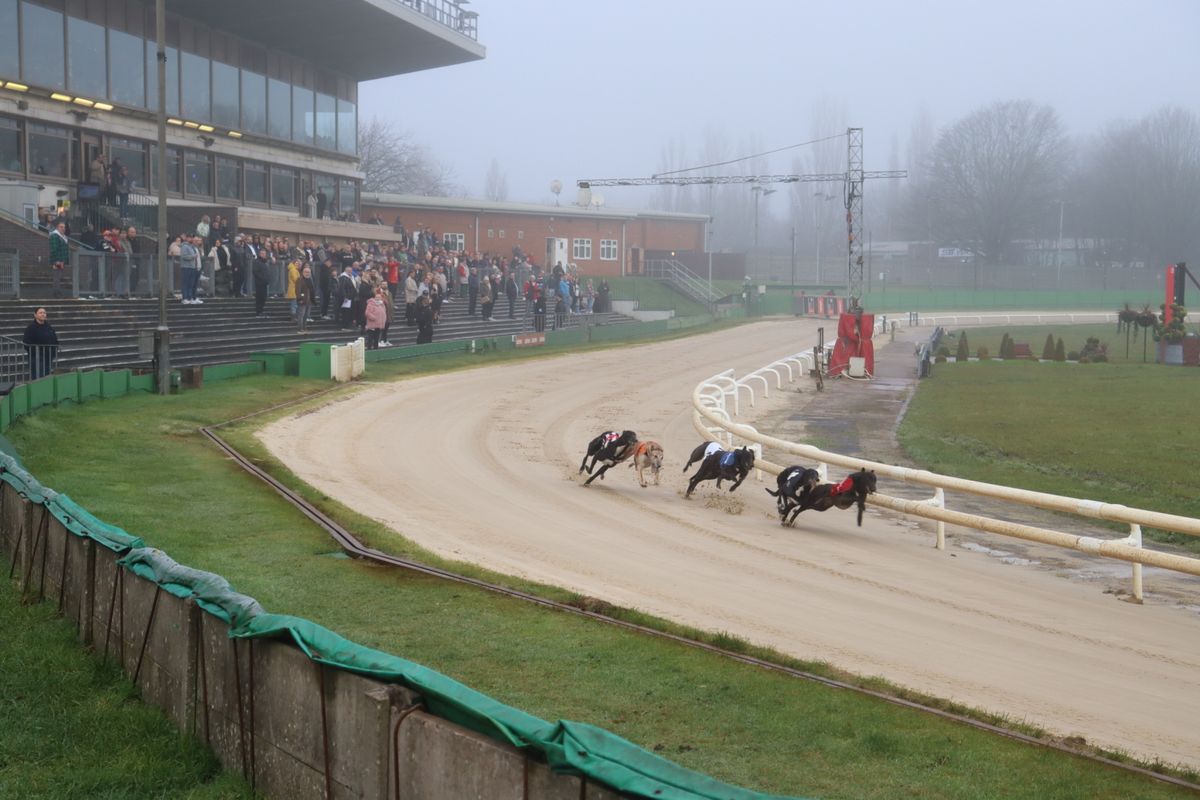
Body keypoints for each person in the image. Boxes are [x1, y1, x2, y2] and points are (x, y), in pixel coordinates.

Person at [23, 307, 59, 380]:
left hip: (48, 357)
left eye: (44, 313)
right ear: (35, 315)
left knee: (47, 377)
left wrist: (54, 351)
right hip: (36, 358)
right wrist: (36, 353)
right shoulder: (31, 328)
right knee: (38, 378)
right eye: (40, 313)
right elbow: (26, 342)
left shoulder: (49, 327)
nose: (43, 314)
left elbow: (55, 339)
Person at [49, 222, 69, 298]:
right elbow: (54, 249)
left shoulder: (63, 236)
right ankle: (56, 293)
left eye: (64, 227)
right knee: (56, 276)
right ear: (57, 227)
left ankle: (58, 292)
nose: (63, 228)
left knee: (59, 276)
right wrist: (56, 260)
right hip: (57, 260)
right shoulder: (55, 236)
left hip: (61, 260)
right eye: (61, 227)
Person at [296, 265, 316, 332]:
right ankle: (300, 328)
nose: (307, 273)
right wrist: (300, 298)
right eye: (306, 272)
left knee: (306, 315)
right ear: (303, 272)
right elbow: (298, 290)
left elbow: (312, 290)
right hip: (302, 300)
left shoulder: (310, 280)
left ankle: (305, 327)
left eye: (309, 272)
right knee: (301, 315)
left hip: (309, 300)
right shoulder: (300, 279)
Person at [252, 247, 271, 317]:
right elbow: (255, 272)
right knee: (259, 298)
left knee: (263, 298)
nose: (263, 255)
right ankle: (258, 312)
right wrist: (263, 279)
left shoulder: (264, 262)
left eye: (264, 254)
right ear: (259, 254)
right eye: (262, 253)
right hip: (259, 283)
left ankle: (261, 311)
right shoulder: (257, 262)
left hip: (264, 283)